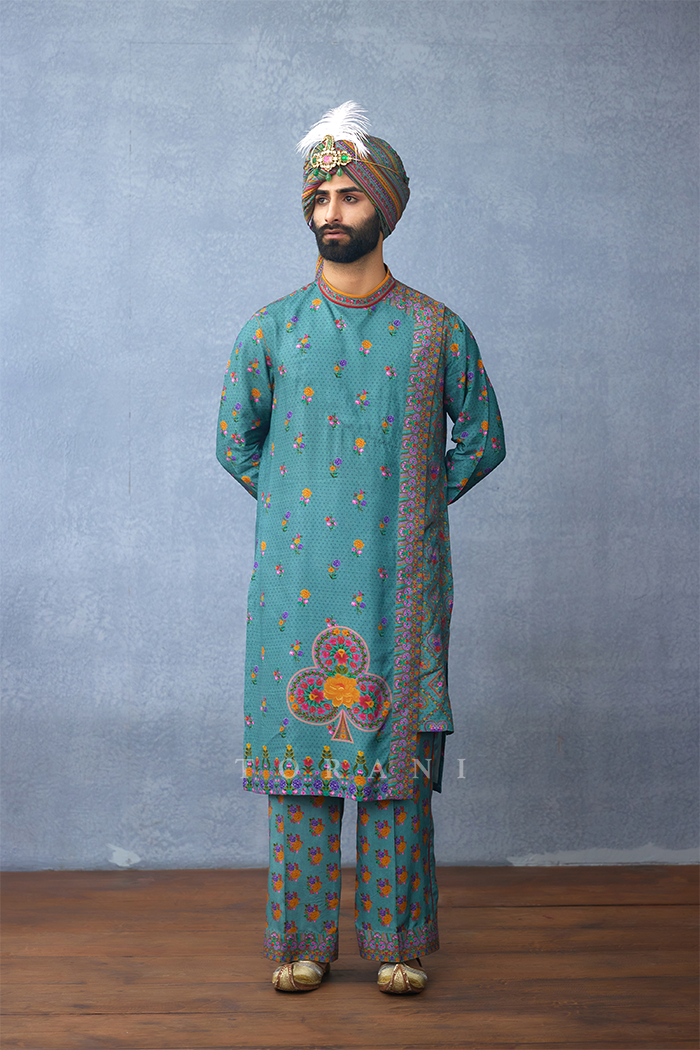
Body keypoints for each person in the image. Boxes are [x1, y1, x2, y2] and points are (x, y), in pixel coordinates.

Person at [216, 102, 505, 995]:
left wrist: (408, 508)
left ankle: (398, 944)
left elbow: (483, 439)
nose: (331, 212)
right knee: (302, 774)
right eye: (320, 198)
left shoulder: (437, 330)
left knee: (396, 771)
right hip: (295, 587)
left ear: (385, 207)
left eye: (349, 196)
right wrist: (302, 513)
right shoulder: (270, 329)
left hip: (400, 586)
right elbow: (235, 443)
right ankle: (302, 945)